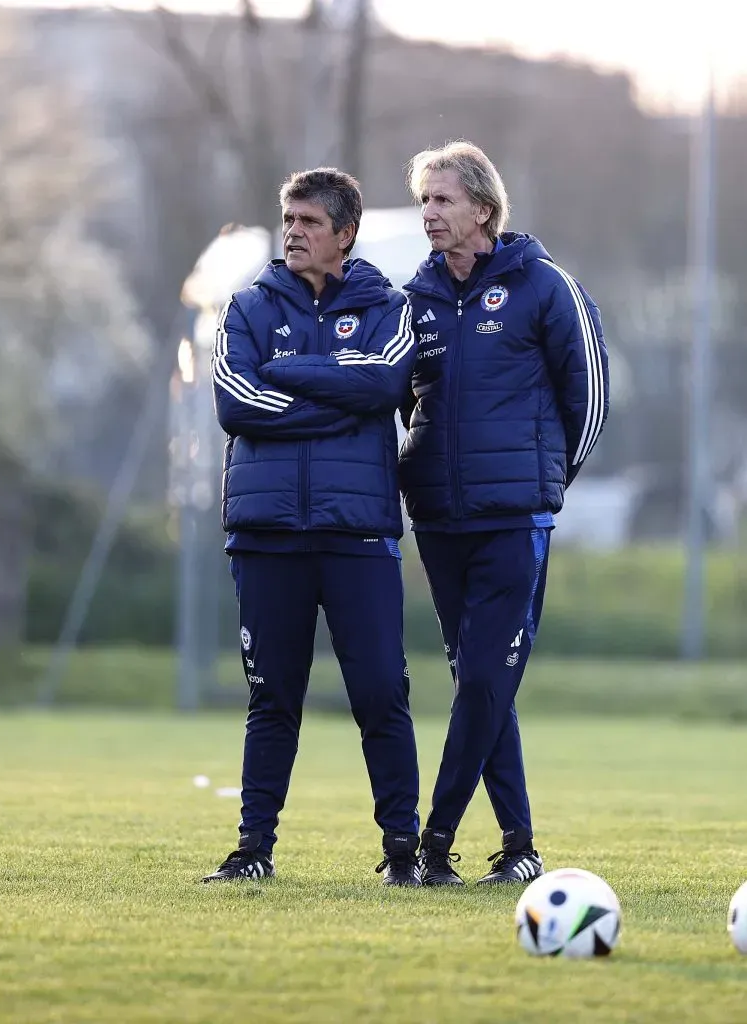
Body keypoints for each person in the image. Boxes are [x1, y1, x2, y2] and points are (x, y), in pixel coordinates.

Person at [398, 141, 610, 886]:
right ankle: (519, 847)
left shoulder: (543, 285)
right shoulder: (411, 297)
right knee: (482, 684)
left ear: (483, 211)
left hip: (514, 521)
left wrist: (545, 487)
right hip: (439, 522)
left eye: (443, 200)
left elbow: (589, 396)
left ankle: (433, 842)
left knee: (485, 679)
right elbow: (395, 404)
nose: (429, 213)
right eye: (424, 200)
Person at [203, 168, 422, 886]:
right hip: (266, 536)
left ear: (344, 234)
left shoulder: (388, 307)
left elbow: (385, 386)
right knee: (272, 699)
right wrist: (336, 398)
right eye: (287, 218)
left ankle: (401, 854)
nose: (293, 231)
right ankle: (251, 851)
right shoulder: (245, 308)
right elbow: (236, 403)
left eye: (309, 222)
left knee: (381, 696)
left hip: (356, 534)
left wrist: (290, 370)